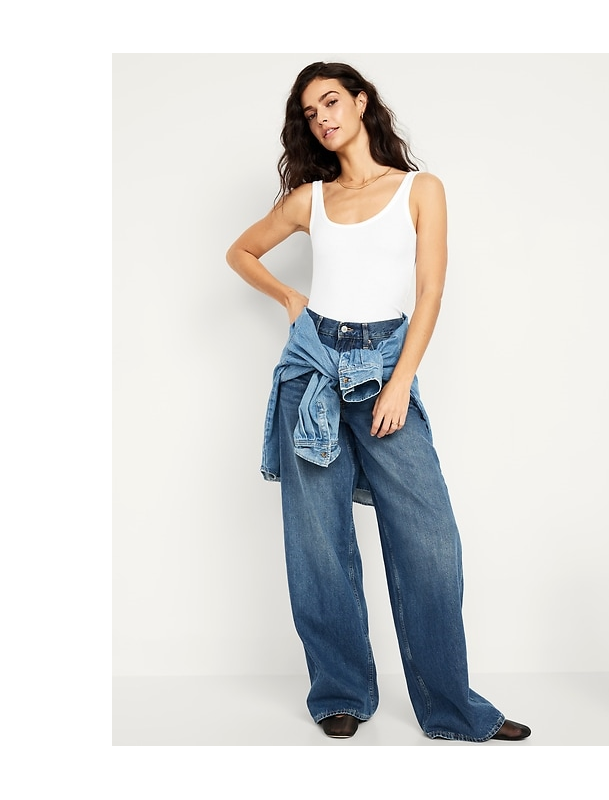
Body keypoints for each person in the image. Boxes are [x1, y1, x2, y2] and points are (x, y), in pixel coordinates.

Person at [225, 61, 531, 743]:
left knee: (429, 542)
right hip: (312, 371)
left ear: (362, 102)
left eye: (332, 101)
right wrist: (290, 297)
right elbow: (240, 252)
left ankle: (452, 709)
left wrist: (400, 382)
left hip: (385, 366)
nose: (323, 119)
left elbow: (430, 293)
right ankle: (340, 692)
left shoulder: (421, 189)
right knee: (318, 543)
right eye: (311, 113)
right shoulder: (311, 198)